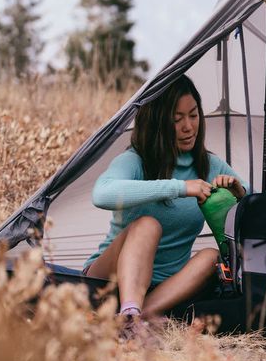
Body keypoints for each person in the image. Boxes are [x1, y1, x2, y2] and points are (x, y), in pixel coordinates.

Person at [82, 75, 248, 326]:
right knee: (148, 224)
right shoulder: (135, 161)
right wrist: (179, 188)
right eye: (176, 119)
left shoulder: (209, 164)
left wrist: (239, 193)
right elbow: (101, 194)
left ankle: (133, 320)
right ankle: (129, 308)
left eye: (193, 115)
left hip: (164, 289)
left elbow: (255, 204)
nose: (188, 127)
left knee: (210, 256)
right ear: (158, 123)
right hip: (108, 281)